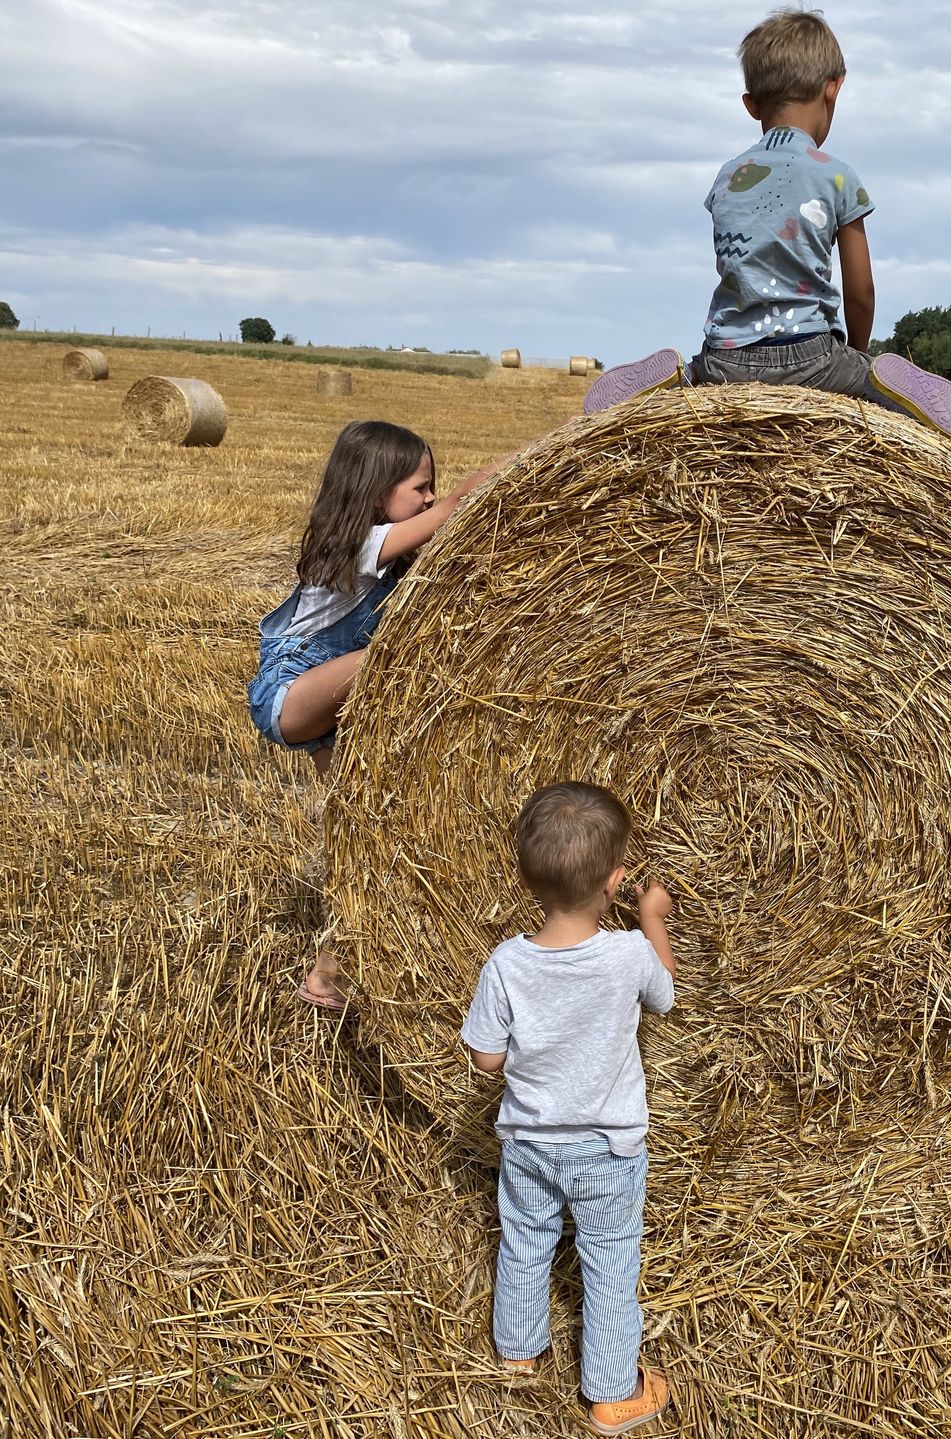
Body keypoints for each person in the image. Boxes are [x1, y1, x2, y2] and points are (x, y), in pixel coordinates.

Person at [583, 8, 951, 444]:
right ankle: (879, 379)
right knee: (868, 377)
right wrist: (855, 355)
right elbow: (861, 293)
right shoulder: (837, 175)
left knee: (704, 371)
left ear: (751, 104)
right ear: (834, 88)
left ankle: (683, 377)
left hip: (725, 359)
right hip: (811, 356)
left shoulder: (728, 176)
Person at [247, 418, 499, 1010]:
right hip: (291, 695)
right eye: (420, 486)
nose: (431, 496)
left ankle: (327, 976)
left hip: (332, 713)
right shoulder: (354, 547)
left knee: (360, 832)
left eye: (433, 485)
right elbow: (457, 507)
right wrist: (548, 450)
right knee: (394, 654)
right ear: (375, 489)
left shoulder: (386, 559)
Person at [461, 782, 676, 1434]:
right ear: (614, 881)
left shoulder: (505, 963)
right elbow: (664, 995)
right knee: (611, 1265)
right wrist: (655, 917)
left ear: (526, 877)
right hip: (608, 1151)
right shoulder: (628, 954)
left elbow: (487, 1060)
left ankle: (518, 1353)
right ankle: (612, 1393)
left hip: (530, 1143)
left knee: (525, 1244)